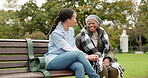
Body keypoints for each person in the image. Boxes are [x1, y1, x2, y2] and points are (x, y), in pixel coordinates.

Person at [44, 8, 100, 78]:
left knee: (79, 66)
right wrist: (87, 56)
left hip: (65, 60)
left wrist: (85, 56)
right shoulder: (56, 33)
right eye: (75, 18)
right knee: (79, 54)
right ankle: (95, 77)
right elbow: (69, 49)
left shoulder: (71, 30)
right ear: (68, 20)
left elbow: (73, 47)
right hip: (52, 62)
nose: (75, 21)